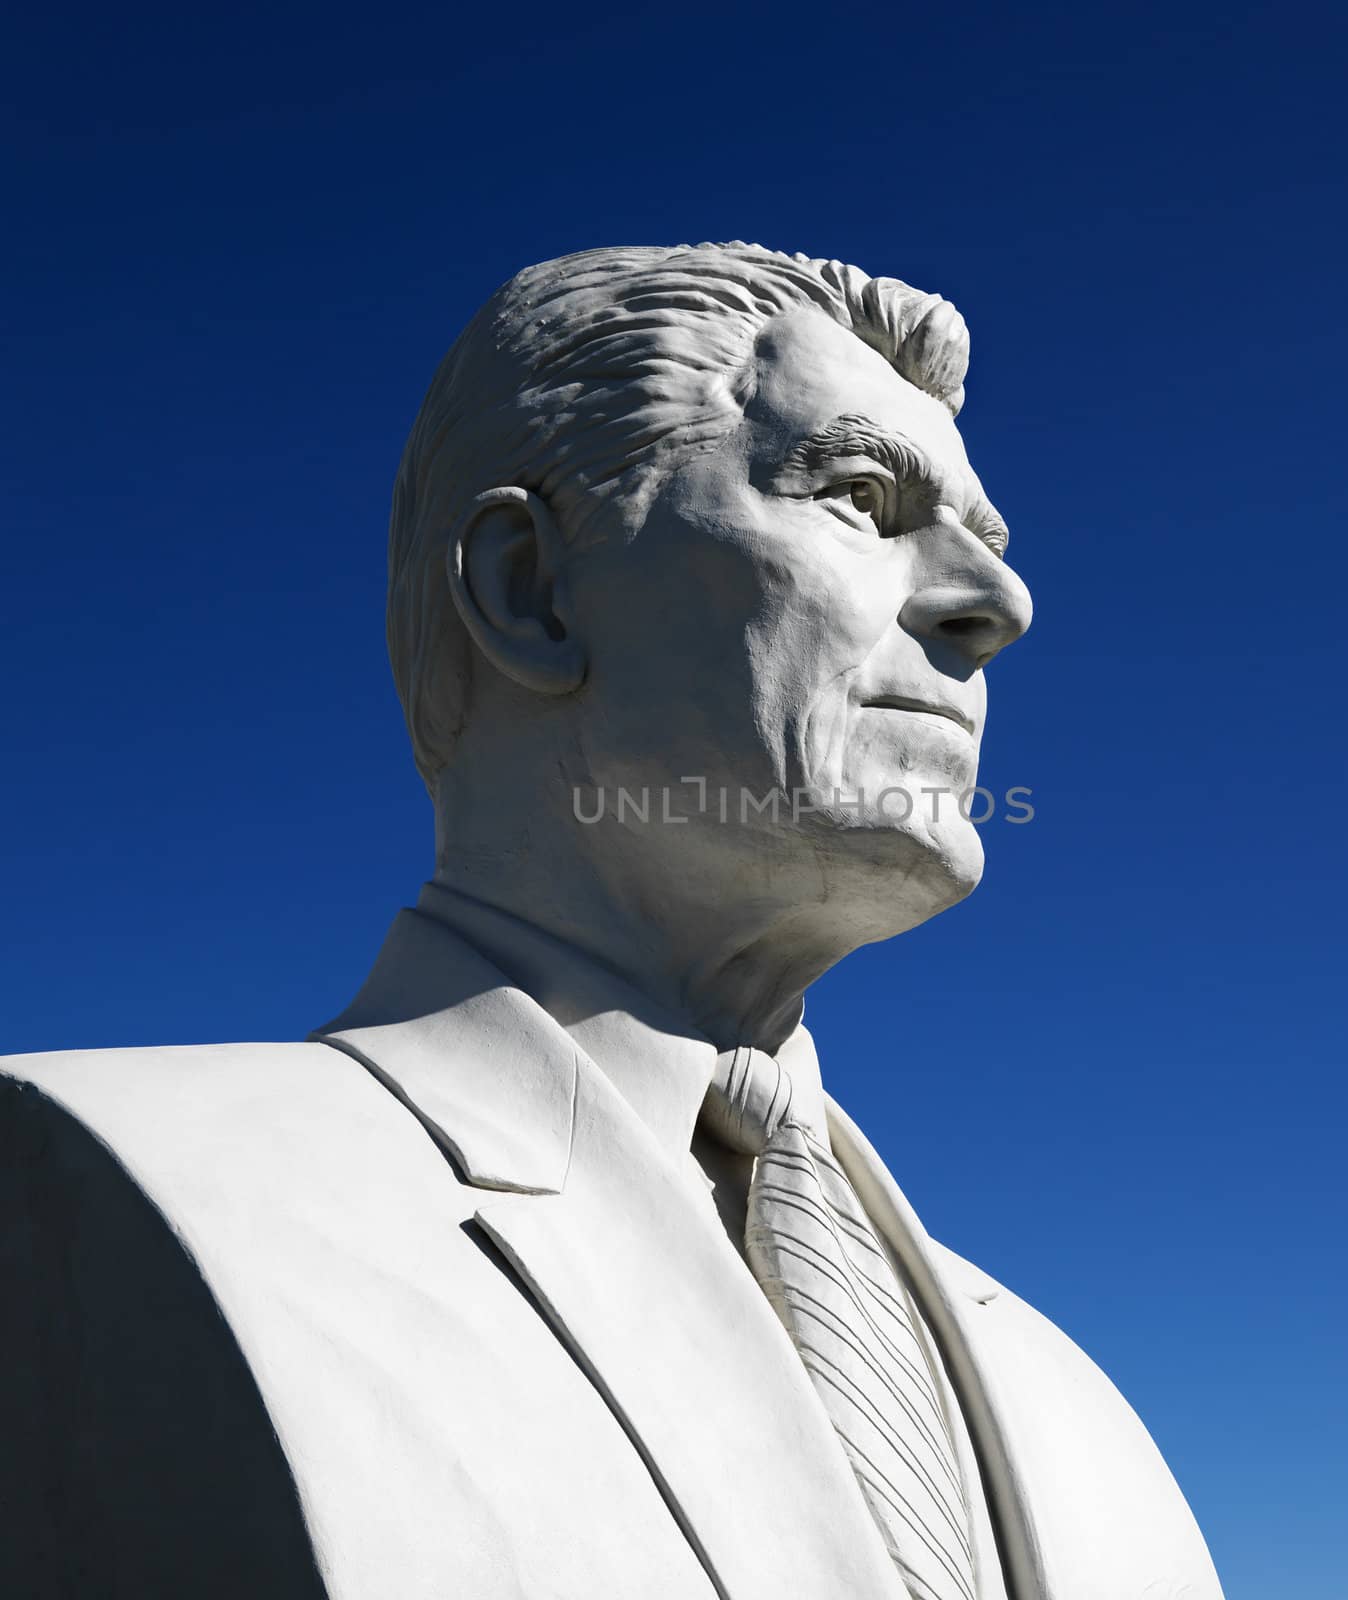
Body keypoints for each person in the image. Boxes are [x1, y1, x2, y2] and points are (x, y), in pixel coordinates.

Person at [0, 242, 1225, 1599]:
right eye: (862, 495)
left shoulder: (1062, 1394)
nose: (998, 606)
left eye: (987, 543)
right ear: (531, 588)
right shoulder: (78, 1187)